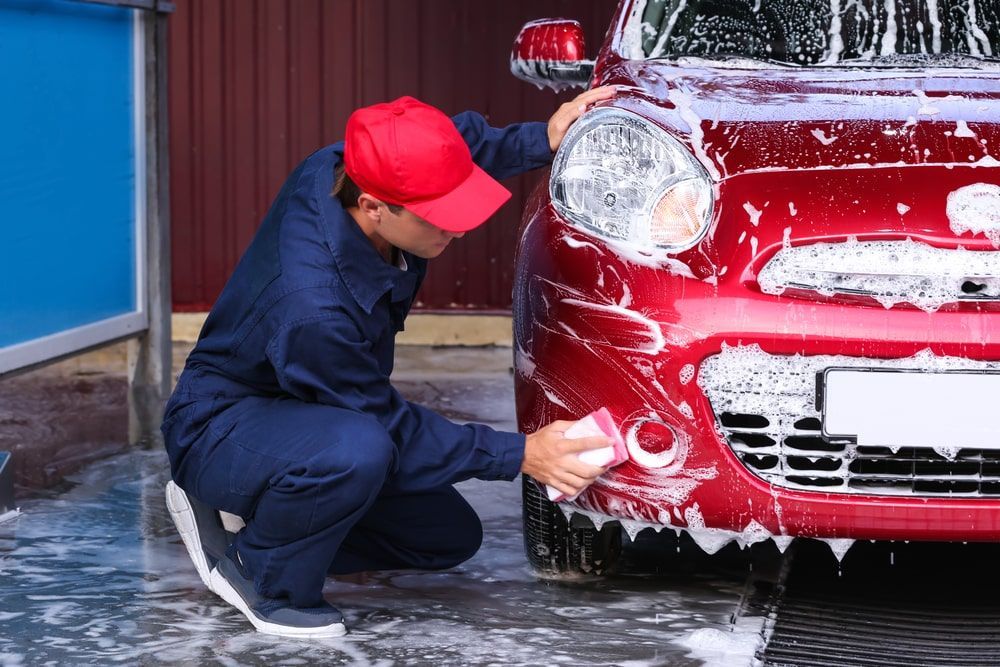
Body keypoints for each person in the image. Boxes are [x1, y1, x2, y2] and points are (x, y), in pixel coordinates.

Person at [162, 87, 616, 639]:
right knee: (361, 449)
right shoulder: (315, 307)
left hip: (306, 406)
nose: (459, 228)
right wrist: (521, 453)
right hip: (221, 422)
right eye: (438, 218)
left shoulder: (337, 168)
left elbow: (449, 147)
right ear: (374, 206)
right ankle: (260, 570)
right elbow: (385, 426)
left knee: (444, 536)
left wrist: (539, 139)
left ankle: (272, 510)